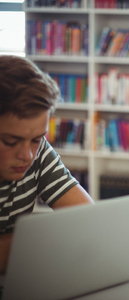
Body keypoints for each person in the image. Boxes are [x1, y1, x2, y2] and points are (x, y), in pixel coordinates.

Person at [0, 55, 94, 273]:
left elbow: (87, 219)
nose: (27, 154)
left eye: (36, 139)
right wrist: (47, 240)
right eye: (10, 141)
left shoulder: (38, 150)